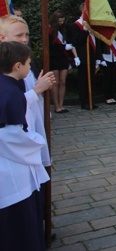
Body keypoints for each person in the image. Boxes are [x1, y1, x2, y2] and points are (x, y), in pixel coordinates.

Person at [0, 41, 50, 251]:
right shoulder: (11, 94)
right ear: (17, 66)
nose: (31, 68)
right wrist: (37, 142)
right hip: (12, 171)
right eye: (29, 63)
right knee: (19, 228)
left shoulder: (9, 87)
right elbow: (10, 136)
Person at [0, 15, 55, 176]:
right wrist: (37, 90)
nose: (24, 39)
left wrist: (44, 85)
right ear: (2, 38)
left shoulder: (26, 60)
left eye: (27, 35)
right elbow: (8, 102)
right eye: (19, 35)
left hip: (34, 119)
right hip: (17, 136)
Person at [68, 3, 97, 110]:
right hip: (83, 56)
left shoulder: (92, 25)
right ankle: (83, 102)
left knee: (92, 79)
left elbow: (95, 41)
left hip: (92, 56)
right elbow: (78, 42)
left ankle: (91, 100)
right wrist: (85, 31)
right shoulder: (75, 25)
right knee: (83, 80)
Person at [48, 10, 78, 113]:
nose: (61, 23)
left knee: (63, 82)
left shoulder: (65, 29)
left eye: (62, 21)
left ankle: (61, 104)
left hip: (64, 57)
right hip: (54, 58)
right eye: (59, 21)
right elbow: (50, 46)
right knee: (55, 83)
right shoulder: (50, 30)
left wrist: (75, 56)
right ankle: (56, 106)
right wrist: (63, 47)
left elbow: (70, 42)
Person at [98, 39, 116, 105]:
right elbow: (99, 48)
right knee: (107, 78)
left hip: (115, 58)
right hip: (106, 58)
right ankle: (107, 97)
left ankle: (112, 96)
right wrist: (101, 59)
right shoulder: (102, 37)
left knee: (113, 78)